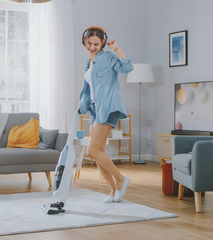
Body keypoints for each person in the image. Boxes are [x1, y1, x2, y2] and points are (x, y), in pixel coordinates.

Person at [78, 26, 134, 202]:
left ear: (102, 42)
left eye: (96, 44)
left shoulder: (108, 57)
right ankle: (113, 191)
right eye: (89, 43)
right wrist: (82, 105)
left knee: (92, 150)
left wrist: (116, 48)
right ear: (85, 42)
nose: (92, 47)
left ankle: (121, 179)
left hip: (108, 107)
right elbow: (87, 90)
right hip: (95, 109)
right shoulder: (88, 62)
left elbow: (127, 67)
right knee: (97, 151)